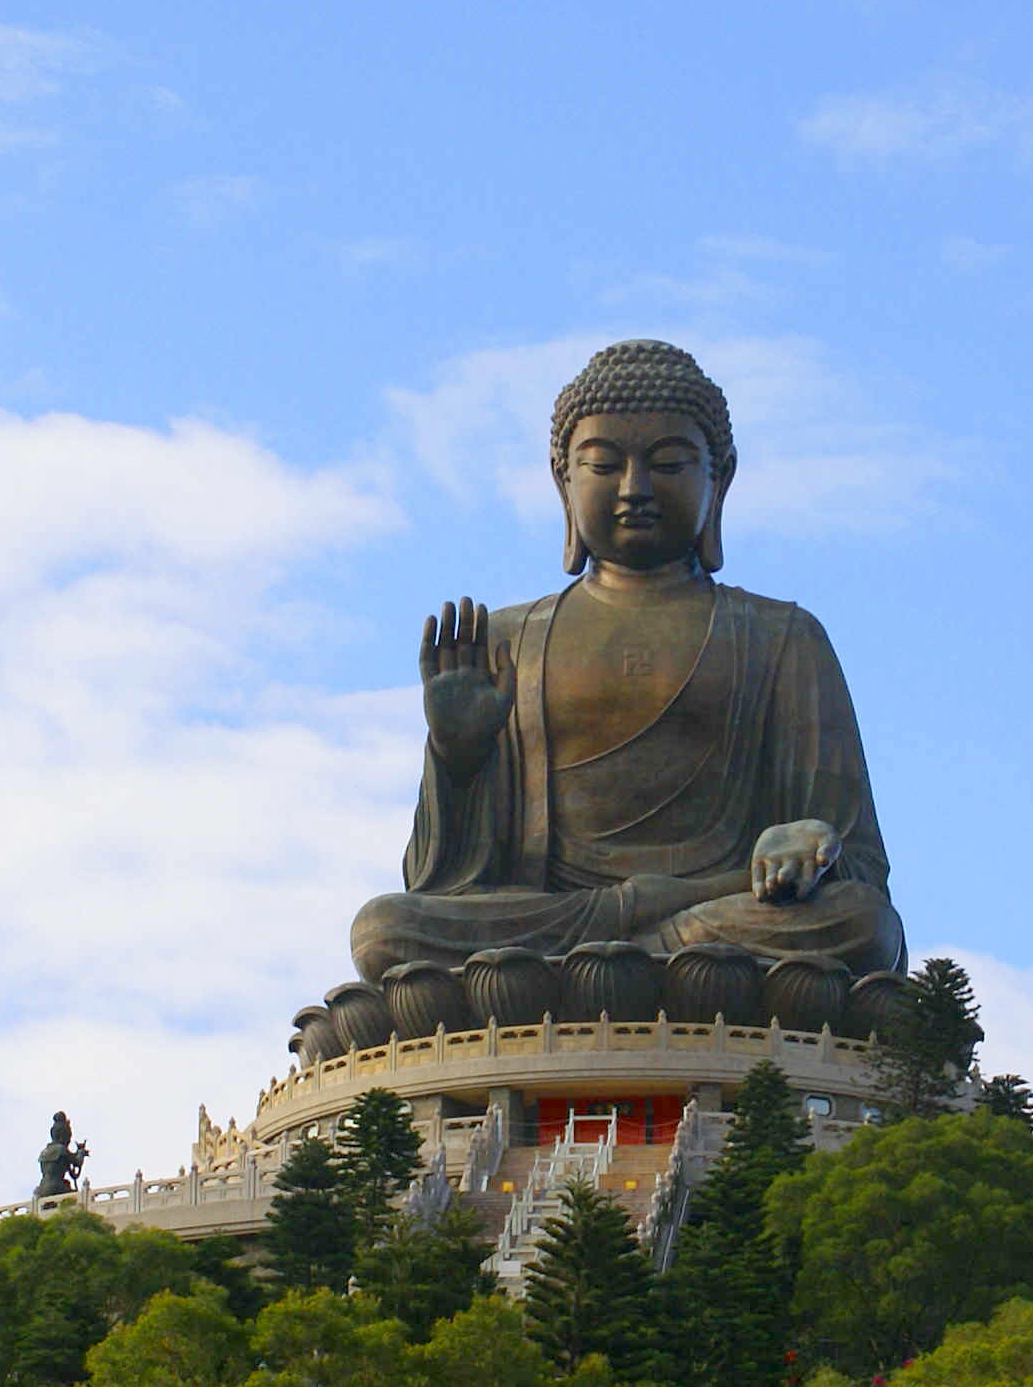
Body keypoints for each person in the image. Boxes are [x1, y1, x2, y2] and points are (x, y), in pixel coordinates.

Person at [348, 340, 904, 984]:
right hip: (561, 924)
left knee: (861, 923)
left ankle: (623, 960)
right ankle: (639, 957)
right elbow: (440, 884)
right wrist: (458, 760)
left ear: (718, 480)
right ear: (564, 481)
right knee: (383, 930)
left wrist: (809, 843)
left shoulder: (782, 637)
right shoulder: (506, 642)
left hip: (713, 919)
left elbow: (858, 865)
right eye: (603, 465)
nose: (634, 488)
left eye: (668, 464)